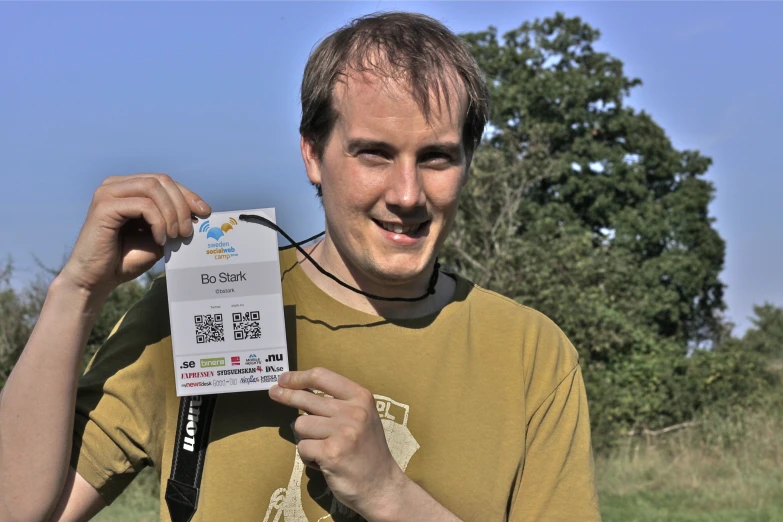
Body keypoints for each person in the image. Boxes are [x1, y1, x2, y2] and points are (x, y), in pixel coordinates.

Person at [0, 12, 600, 522]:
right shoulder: (195, 310)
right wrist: (76, 290)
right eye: (375, 153)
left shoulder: (530, 356)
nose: (408, 193)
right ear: (313, 153)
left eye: (438, 157)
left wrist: (391, 496)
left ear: (469, 162)